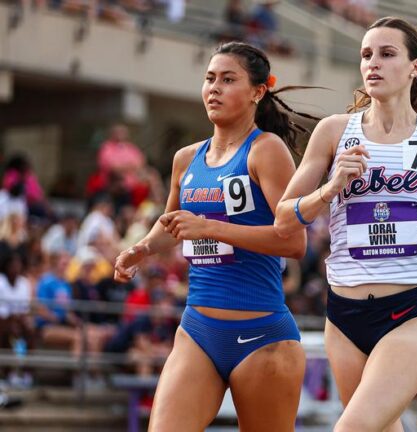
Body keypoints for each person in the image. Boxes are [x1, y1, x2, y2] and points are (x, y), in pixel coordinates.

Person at [273, 17, 417, 432]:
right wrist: (330, 190)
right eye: (366, 55)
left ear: (415, 68)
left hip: (412, 311)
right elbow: (283, 216)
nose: (373, 64)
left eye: (386, 54)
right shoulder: (333, 132)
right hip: (344, 315)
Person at [113, 41, 314, 431]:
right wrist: (141, 248)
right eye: (209, 79)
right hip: (198, 330)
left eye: (227, 79)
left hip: (262, 335)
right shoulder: (186, 158)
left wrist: (210, 227)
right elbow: (172, 222)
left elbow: (294, 242)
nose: (214, 88)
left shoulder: (266, 151)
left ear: (258, 92)